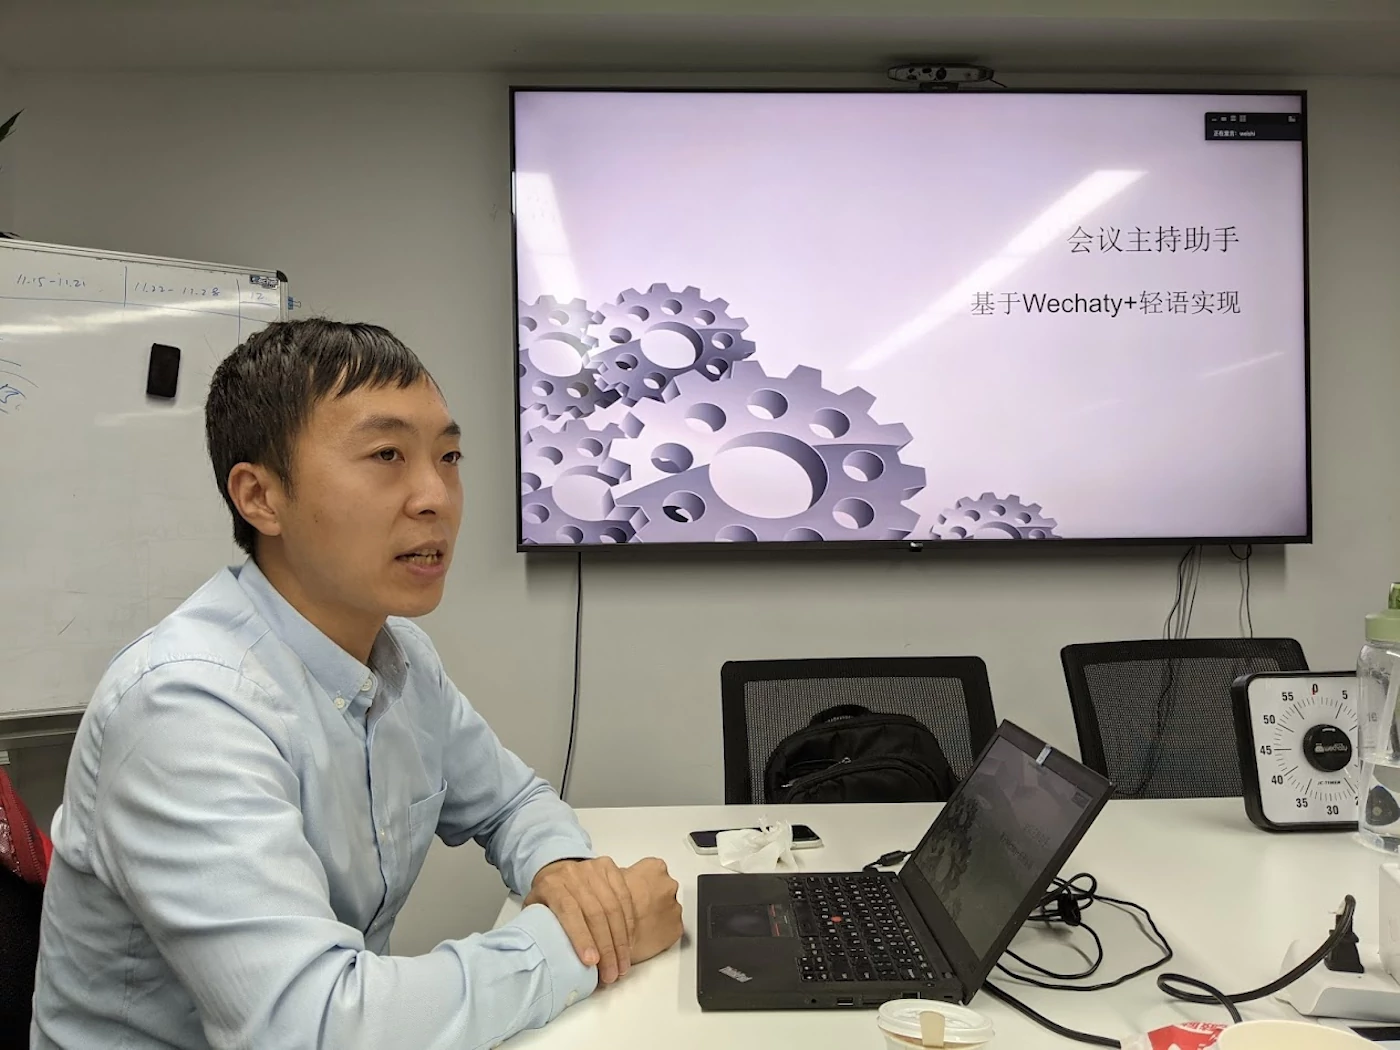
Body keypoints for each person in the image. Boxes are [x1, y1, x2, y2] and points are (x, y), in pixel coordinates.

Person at [31, 319, 683, 1049]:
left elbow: (512, 803)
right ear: (260, 497)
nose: (436, 496)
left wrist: (566, 872)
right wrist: (581, 945)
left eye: (449, 456)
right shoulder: (183, 707)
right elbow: (310, 1026)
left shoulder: (401, 659)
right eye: (386, 455)